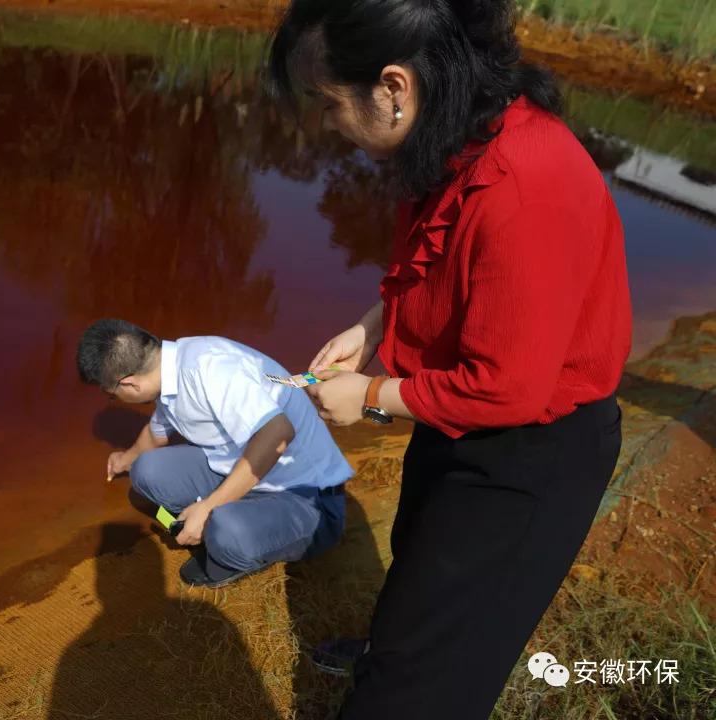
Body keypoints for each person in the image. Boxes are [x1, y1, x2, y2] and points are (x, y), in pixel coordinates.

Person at [268, 0, 631, 718]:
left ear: (394, 87)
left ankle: (403, 678)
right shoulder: (460, 133)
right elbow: (448, 267)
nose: (326, 123)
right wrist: (375, 327)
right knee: (419, 567)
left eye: (328, 101)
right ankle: (393, 649)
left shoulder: (523, 183)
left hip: (530, 455)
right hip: (462, 417)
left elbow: (509, 389)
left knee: (429, 678)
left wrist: (370, 397)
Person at [76, 319, 352, 588]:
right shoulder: (170, 368)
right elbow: (157, 432)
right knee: (146, 472)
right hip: (245, 472)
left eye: (111, 394)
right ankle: (217, 522)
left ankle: (232, 548)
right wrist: (125, 458)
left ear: (130, 384)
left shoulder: (211, 370)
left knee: (226, 531)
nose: (114, 398)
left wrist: (209, 506)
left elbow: (278, 433)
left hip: (306, 497)